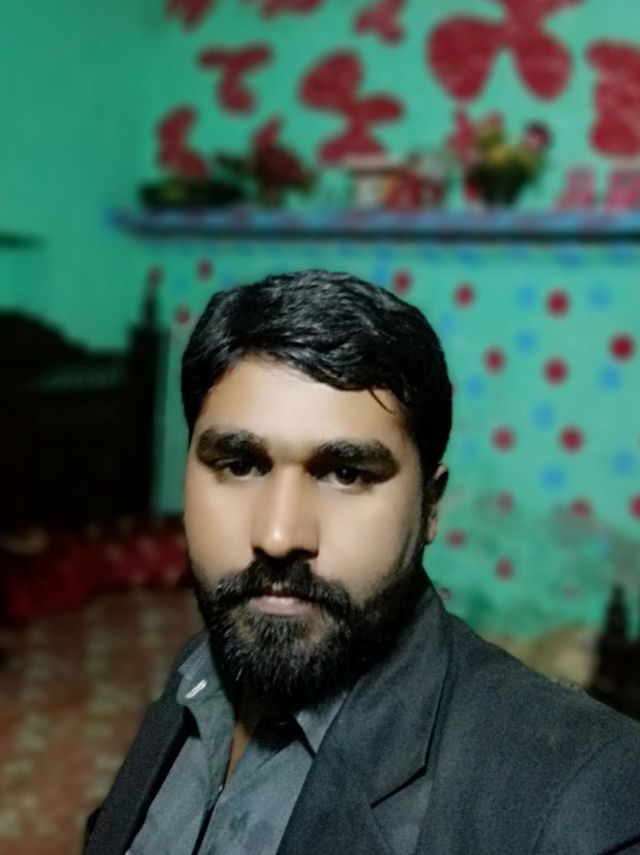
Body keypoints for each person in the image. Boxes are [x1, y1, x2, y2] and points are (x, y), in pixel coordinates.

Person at [84, 270, 640, 855]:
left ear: (429, 506)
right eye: (240, 464)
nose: (278, 536)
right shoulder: (199, 671)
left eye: (346, 474)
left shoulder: (585, 804)